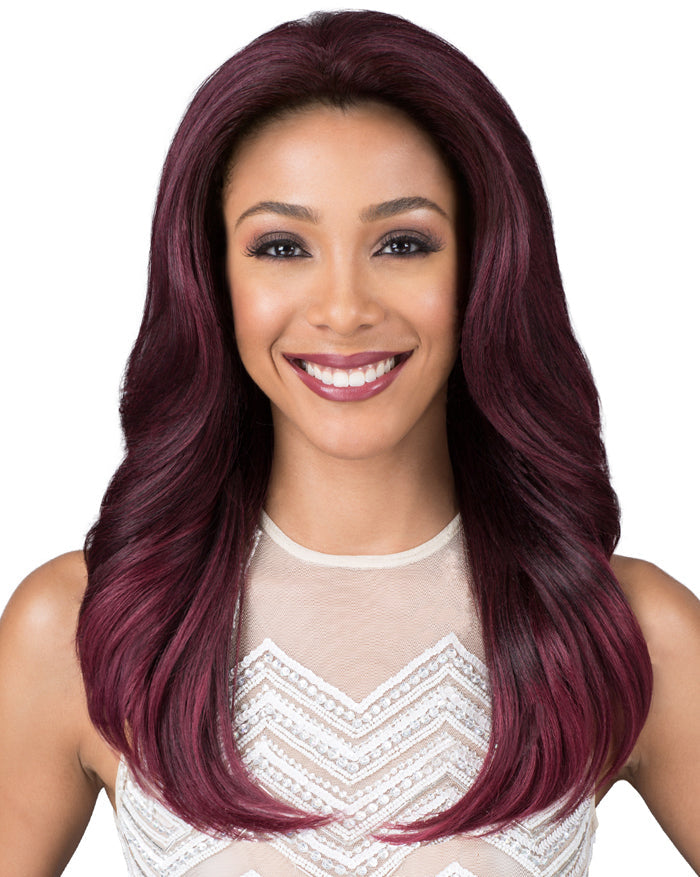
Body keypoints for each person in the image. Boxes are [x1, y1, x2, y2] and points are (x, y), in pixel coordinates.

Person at [1, 9, 698, 876]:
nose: (343, 309)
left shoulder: (624, 629)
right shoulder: (80, 627)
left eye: (402, 243)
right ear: (211, 278)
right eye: (281, 246)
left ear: (483, 268)